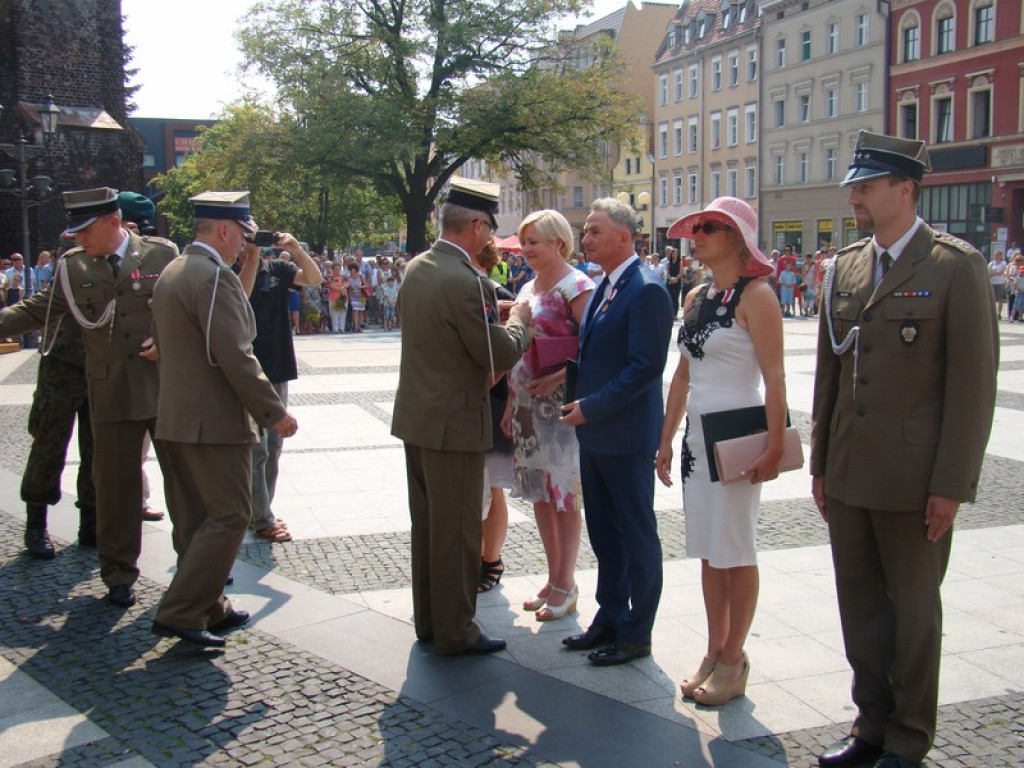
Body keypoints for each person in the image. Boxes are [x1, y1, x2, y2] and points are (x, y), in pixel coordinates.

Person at [812, 131, 998, 768]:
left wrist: (951, 483)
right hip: (850, 471)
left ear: (905, 190)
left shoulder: (954, 266)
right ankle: (871, 725)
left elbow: (972, 388)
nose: (855, 197)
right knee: (859, 605)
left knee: (913, 616)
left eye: (865, 186)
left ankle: (909, 737)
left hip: (916, 479)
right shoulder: (847, 266)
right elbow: (830, 376)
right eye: (854, 187)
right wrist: (819, 465)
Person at [0, 187, 178, 607]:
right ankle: (117, 574)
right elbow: (34, 309)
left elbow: (191, 306)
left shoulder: (161, 255)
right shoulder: (72, 267)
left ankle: (198, 568)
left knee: (183, 484)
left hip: (158, 390)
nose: (77, 237)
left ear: (113, 222)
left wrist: (167, 340)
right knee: (112, 487)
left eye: (84, 228)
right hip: (103, 388)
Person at [151, 190, 299, 648]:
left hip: (177, 417)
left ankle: (209, 605)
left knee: (196, 520)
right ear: (224, 231)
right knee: (232, 515)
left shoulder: (174, 269)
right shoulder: (213, 277)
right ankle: (180, 611)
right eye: (242, 237)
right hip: (213, 423)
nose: (243, 246)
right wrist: (274, 413)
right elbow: (235, 355)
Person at [391, 177, 531, 656]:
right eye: (489, 227)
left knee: (428, 527)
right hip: (454, 423)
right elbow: (498, 352)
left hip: (417, 418)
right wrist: (519, 319)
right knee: (456, 531)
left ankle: (431, 621)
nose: (491, 237)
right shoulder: (468, 280)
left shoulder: (418, 268)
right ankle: (456, 631)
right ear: (476, 224)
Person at [656, 197, 785, 706]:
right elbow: (683, 373)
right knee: (710, 549)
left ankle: (734, 658)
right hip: (697, 435)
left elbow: (774, 376)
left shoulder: (759, 296)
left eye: (709, 227)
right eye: (696, 227)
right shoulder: (694, 298)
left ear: (736, 237)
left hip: (738, 433)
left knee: (736, 547)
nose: (697, 235)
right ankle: (714, 651)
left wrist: (776, 446)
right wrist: (665, 438)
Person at [559, 197, 673, 666]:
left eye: (593, 231)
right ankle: (609, 616)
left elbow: (645, 368)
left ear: (623, 236)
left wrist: (591, 406)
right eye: (585, 232)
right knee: (605, 534)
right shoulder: (607, 284)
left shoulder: (646, 289)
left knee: (636, 535)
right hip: (596, 434)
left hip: (624, 435)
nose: (585, 239)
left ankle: (636, 632)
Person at [505, 210, 594, 621]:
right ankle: (554, 575)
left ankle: (567, 581)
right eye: (524, 242)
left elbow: (594, 348)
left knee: (564, 496)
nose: (526, 250)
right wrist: (510, 402)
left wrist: (559, 375)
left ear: (558, 242)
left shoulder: (577, 286)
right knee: (540, 494)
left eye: (534, 242)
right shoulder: (528, 287)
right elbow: (519, 349)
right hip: (526, 404)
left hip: (559, 407)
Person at [236, 229, 322, 543]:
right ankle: (261, 518)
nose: (253, 241)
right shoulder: (230, 270)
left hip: (278, 366)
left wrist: (297, 249)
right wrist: (252, 258)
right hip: (248, 370)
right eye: (248, 236)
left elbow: (313, 279)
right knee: (256, 448)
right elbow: (240, 298)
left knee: (273, 447)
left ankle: (262, 509)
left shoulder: (278, 269)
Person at [18, 236, 96, 559]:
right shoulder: (71, 254)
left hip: (98, 370)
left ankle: (91, 523)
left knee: (97, 453)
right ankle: (36, 524)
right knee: (48, 447)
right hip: (60, 366)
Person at [988, 250, 1007, 319]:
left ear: (1001, 256)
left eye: (997, 255)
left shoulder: (1003, 263)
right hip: (992, 282)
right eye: (995, 255)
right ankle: (992, 313)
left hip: (1000, 283)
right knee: (992, 299)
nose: (996, 256)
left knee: (1000, 299)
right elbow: (988, 272)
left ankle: (999, 313)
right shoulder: (991, 263)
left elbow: (1002, 272)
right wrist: (996, 273)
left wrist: (994, 273)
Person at [665, 246, 683, 317]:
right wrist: (670, 278)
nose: (674, 255)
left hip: (677, 281)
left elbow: (680, 273)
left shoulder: (680, 262)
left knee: (675, 298)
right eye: (673, 254)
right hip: (669, 281)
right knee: (670, 297)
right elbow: (668, 273)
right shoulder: (669, 262)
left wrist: (676, 279)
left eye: (675, 254)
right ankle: (670, 312)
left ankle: (675, 313)